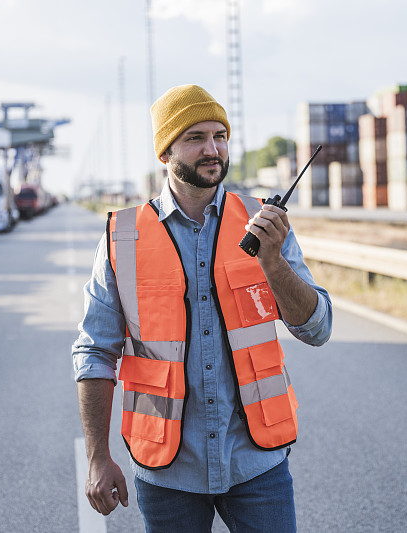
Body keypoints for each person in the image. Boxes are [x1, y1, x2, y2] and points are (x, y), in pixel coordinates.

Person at [72, 84, 332, 533]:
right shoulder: (123, 237)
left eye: (220, 135)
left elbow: (317, 328)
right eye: (195, 138)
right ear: (165, 153)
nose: (212, 149)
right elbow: (95, 352)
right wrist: (97, 456)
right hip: (167, 469)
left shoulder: (263, 223)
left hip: (257, 463)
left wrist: (272, 261)